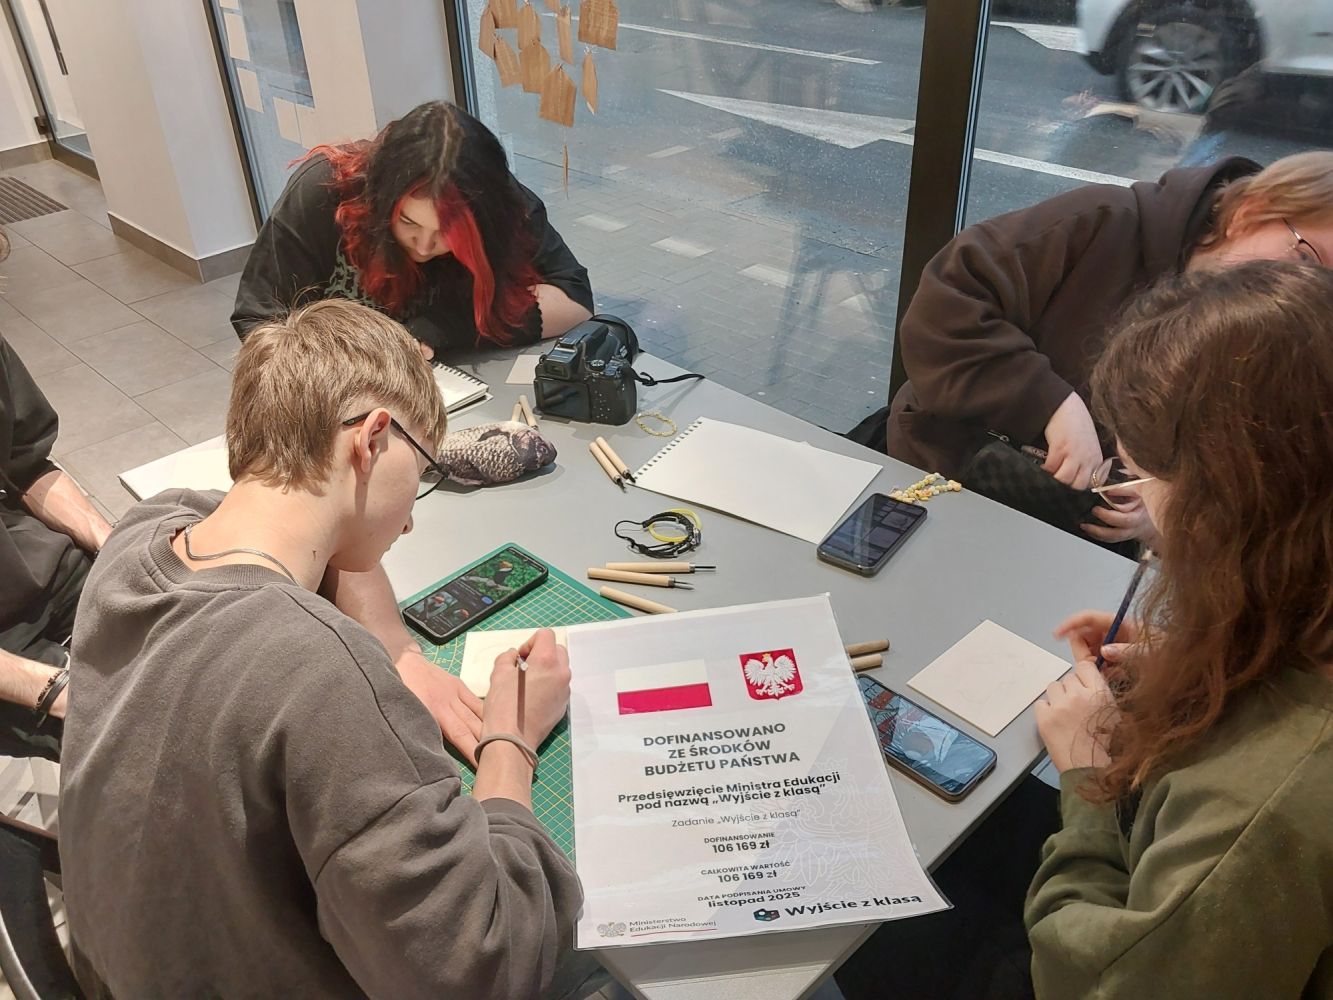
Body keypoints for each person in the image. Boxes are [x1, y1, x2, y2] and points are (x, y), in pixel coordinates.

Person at [59, 300, 594, 998]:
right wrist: (510, 742)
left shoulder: (145, 531)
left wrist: (401, 651)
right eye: (422, 471)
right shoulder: (320, 674)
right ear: (372, 440)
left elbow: (303, 528)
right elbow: (483, 966)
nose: (409, 521)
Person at [839, 260, 1333, 998]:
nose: (1139, 508)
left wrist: (1089, 780)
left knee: (863, 904)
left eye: (1141, 479)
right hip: (1167, 885)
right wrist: (1197, 664)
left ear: (1223, 505)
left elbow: (1093, 981)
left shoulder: (1261, 810)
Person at [887, 151, 1333, 545]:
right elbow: (944, 308)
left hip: (1074, 526)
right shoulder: (1102, 221)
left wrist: (1162, 508)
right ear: (1249, 213)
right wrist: (1050, 404)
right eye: (1305, 258)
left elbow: (1242, 464)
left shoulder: (1277, 329)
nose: (1304, 287)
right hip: (948, 473)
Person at [232, 100, 594, 359]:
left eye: (448, 233)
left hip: (450, 387)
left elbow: (575, 300)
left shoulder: (499, 203)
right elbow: (259, 321)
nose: (423, 247)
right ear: (382, 199)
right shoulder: (326, 191)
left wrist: (445, 328)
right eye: (407, 222)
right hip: (335, 388)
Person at [0, 227, 113, 761]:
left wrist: (110, 543)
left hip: (44, 572)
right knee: (150, 743)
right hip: (8, 648)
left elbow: (27, 465)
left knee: (217, 641)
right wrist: (57, 691)